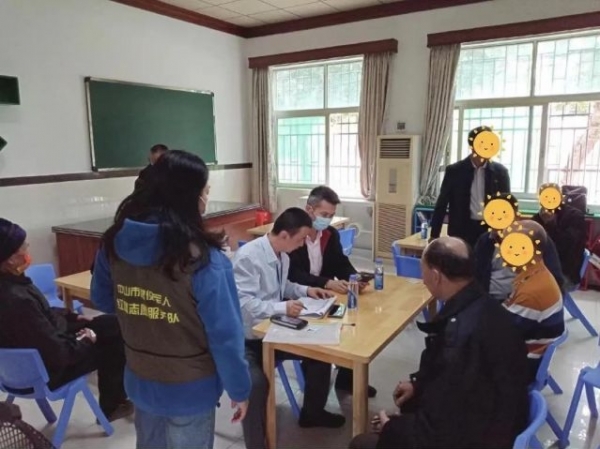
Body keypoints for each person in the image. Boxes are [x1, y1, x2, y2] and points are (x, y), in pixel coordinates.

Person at [91, 150, 250, 449]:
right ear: (190, 197)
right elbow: (225, 336)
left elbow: (102, 299)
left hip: (140, 375)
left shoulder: (114, 242)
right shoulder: (203, 259)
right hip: (190, 387)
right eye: (205, 191)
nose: (206, 198)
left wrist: (144, 309)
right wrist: (239, 389)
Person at [349, 237, 529, 449]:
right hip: (498, 419)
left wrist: (391, 427)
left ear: (435, 276)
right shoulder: (487, 307)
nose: (423, 279)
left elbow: (441, 430)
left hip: (479, 437)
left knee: (361, 443)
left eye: (422, 271)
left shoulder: (460, 338)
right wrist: (419, 385)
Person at [233, 207, 345, 449]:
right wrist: (282, 307)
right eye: (300, 239)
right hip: (248, 340)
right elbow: (244, 304)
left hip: (274, 330)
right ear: (284, 235)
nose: (303, 244)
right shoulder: (248, 257)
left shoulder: (282, 256)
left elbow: (284, 287)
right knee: (256, 384)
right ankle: (256, 444)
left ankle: (312, 413)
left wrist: (307, 290)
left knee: (319, 351)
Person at [0, 218, 131, 422]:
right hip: (49, 370)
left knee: (111, 323)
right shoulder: (17, 300)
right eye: (22, 248)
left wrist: (73, 317)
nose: (27, 249)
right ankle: (112, 407)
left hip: (18, 368)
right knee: (113, 342)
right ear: (9, 259)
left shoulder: (13, 286)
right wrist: (87, 339)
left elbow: (42, 316)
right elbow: (58, 352)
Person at [288, 185, 377, 398]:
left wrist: (354, 278)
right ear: (309, 210)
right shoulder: (294, 236)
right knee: (318, 341)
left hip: (325, 298)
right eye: (324, 214)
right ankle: (314, 403)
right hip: (298, 298)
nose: (327, 220)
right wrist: (326, 283)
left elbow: (340, 263)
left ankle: (347, 379)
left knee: (354, 323)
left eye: (331, 215)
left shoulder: (330, 234)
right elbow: (293, 274)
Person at [501, 220, 565, 382]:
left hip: (523, 365)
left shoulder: (531, 293)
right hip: (532, 349)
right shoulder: (537, 272)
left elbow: (503, 335)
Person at [430, 126, 511, 247]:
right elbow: (442, 204)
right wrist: (434, 235)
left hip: (490, 231)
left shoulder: (500, 172)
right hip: (461, 230)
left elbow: (506, 205)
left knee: (485, 259)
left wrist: (503, 231)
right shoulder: (455, 171)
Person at [533, 202, 587, 291]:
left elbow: (563, 248)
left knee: (528, 288)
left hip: (565, 274)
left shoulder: (575, 216)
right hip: (543, 269)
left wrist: (550, 224)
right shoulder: (542, 215)